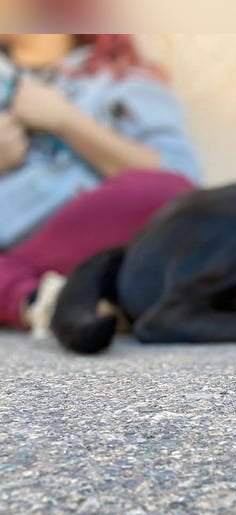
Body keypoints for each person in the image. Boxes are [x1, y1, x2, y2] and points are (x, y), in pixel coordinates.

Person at [0, 34, 200, 336]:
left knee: (166, 198)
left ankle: (35, 297)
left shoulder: (121, 80)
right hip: (12, 246)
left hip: (79, 236)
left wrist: (65, 120)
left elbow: (182, 180)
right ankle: (42, 300)